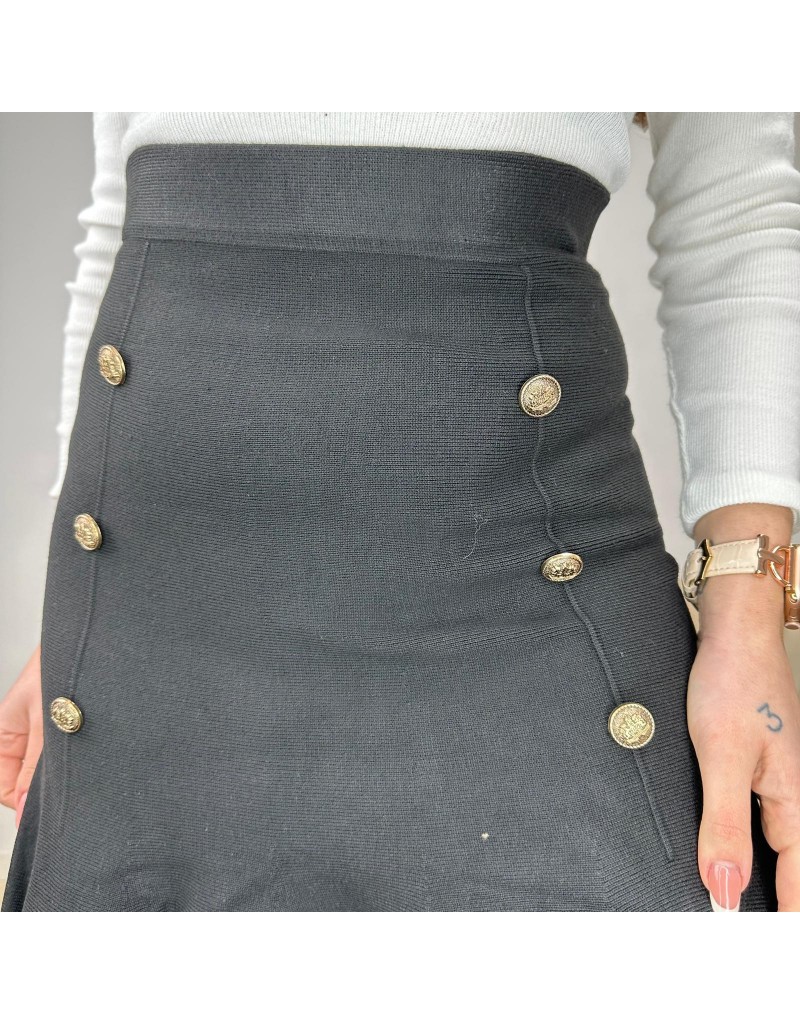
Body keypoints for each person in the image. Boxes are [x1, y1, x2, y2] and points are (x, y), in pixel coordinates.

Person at [2, 112, 799, 912]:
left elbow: (734, 217)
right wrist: (79, 606)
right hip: (163, 613)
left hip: (516, 583)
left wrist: (748, 629)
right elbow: (119, 217)